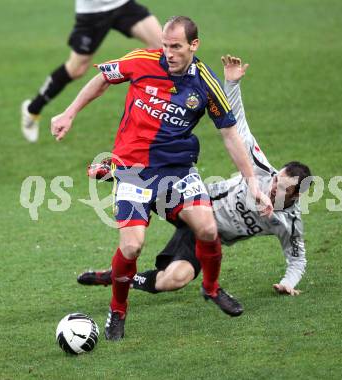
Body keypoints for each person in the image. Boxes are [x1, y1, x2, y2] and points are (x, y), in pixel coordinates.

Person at [50, 17, 273, 341]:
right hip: (132, 170)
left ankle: (211, 288)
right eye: (166, 46)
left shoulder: (205, 84)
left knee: (208, 228)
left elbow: (228, 133)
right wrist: (69, 113)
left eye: (176, 47)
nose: (168, 53)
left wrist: (252, 181)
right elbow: (102, 78)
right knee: (131, 247)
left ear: (194, 46)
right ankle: (118, 310)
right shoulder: (142, 61)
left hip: (178, 170)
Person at [78, 55, 311, 299]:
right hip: (194, 203)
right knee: (154, 186)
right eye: (276, 181)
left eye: (281, 188)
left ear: (296, 194)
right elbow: (238, 126)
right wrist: (232, 84)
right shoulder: (261, 169)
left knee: (173, 280)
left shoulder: (289, 223)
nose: (273, 187)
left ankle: (117, 276)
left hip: (207, 235)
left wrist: (287, 282)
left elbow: (297, 259)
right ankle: (120, 171)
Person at [21, 0, 163, 142]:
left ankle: (163, 112)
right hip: (92, 12)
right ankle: (32, 110)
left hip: (122, 4)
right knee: (76, 69)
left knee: (163, 47)